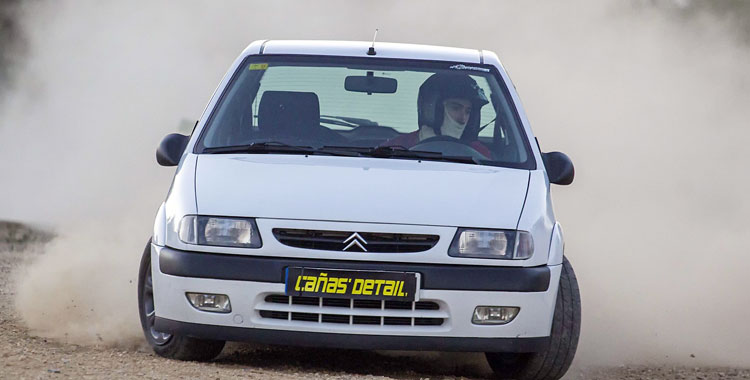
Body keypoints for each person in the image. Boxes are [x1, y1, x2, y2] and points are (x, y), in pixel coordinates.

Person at [381, 73, 492, 158]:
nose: (462, 119)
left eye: (468, 111)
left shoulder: (479, 154)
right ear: (431, 109)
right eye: (455, 108)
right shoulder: (397, 148)